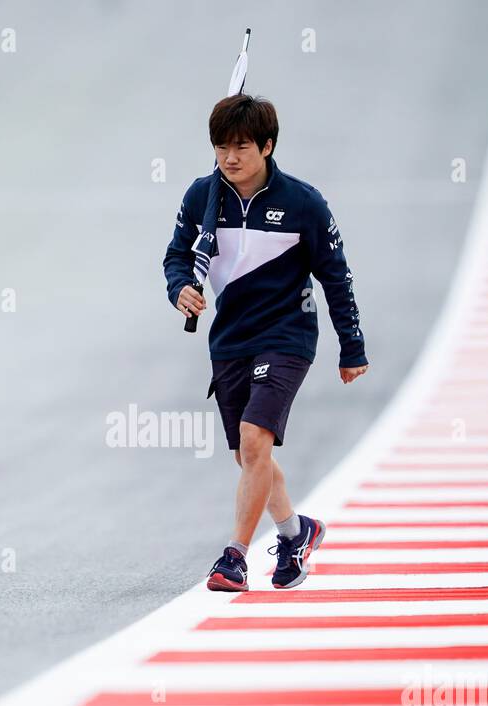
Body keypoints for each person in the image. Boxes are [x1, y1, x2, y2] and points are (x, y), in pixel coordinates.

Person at [162, 93, 369, 592]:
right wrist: (181, 290)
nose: (229, 158)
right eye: (221, 147)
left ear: (268, 146)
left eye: (241, 147)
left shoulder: (303, 203)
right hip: (230, 337)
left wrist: (351, 345)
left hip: (287, 335)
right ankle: (297, 533)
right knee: (248, 457)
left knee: (256, 440)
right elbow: (175, 258)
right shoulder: (201, 197)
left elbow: (335, 276)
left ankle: (234, 557)